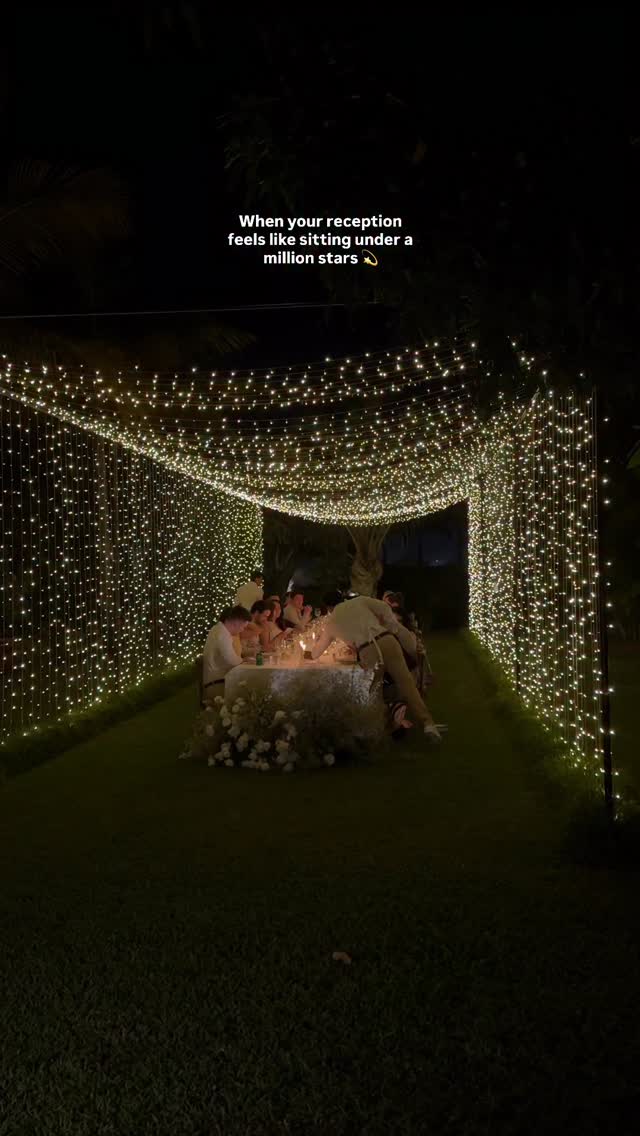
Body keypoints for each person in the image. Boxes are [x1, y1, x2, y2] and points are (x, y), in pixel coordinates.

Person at [307, 594, 441, 742]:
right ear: (343, 599)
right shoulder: (359, 601)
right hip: (387, 640)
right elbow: (384, 607)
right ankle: (428, 723)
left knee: (373, 692)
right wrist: (390, 625)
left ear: (328, 608)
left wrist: (308, 655)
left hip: (367, 651)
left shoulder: (331, 621)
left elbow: (317, 651)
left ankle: (378, 729)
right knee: (406, 683)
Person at [201, 605, 250, 701]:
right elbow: (232, 661)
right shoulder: (222, 634)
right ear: (236, 622)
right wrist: (244, 660)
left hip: (216, 680)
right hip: (217, 684)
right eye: (243, 627)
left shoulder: (218, 629)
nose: (242, 630)